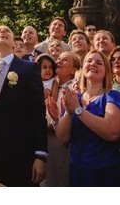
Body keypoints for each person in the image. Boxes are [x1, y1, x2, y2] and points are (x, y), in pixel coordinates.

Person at [0, 25, 47, 186]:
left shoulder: (28, 68)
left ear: (14, 43)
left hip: (23, 154)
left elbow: (38, 113)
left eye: (7, 31)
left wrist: (41, 155)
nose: (2, 32)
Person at [53, 50, 120, 186]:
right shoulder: (74, 98)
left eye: (99, 63)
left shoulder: (112, 96)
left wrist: (78, 110)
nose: (93, 64)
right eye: (89, 61)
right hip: (78, 173)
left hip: (106, 173)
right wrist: (68, 113)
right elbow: (63, 137)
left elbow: (113, 132)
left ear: (106, 71)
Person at [41, 50, 81, 187]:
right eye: (58, 59)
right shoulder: (52, 86)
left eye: (64, 60)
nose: (58, 61)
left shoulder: (74, 89)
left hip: (62, 144)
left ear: (74, 69)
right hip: (47, 141)